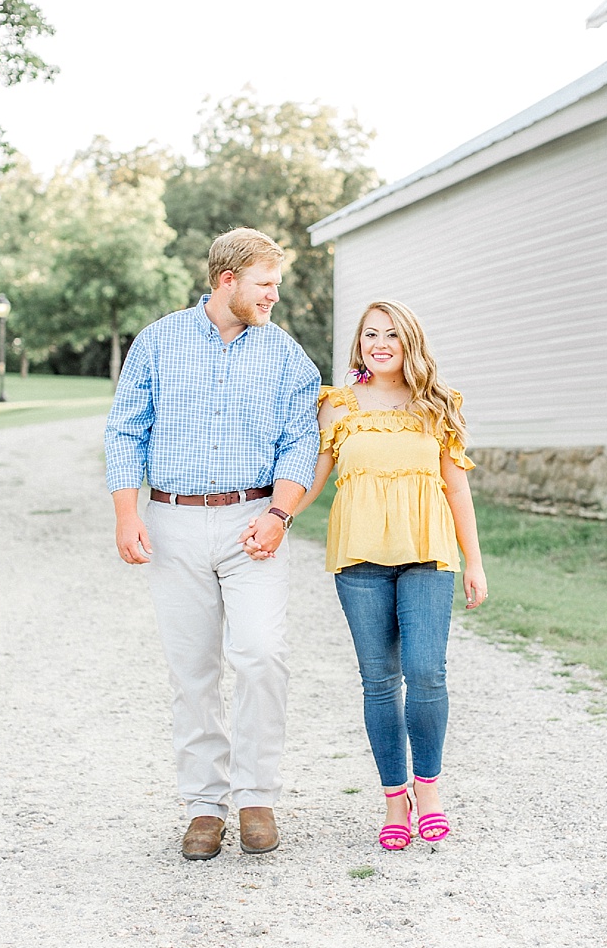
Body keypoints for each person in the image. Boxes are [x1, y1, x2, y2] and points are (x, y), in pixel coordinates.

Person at [105, 227, 321, 862]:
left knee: (261, 655)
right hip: (173, 520)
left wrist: (280, 513)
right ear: (228, 281)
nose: (274, 295)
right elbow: (125, 430)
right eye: (265, 284)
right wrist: (127, 514)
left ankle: (256, 796)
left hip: (255, 520)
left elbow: (301, 440)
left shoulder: (286, 355)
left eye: (276, 284)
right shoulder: (157, 341)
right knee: (192, 668)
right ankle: (204, 804)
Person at [290, 299, 487, 851]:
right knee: (379, 681)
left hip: (426, 552)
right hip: (360, 558)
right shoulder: (337, 406)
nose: (380, 344)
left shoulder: (437, 405)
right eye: (370, 334)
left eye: (392, 335)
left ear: (410, 343)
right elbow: (313, 478)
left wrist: (474, 561)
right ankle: (394, 800)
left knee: (426, 673)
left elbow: (457, 487)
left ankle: (429, 789)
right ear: (359, 343)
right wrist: (278, 519)